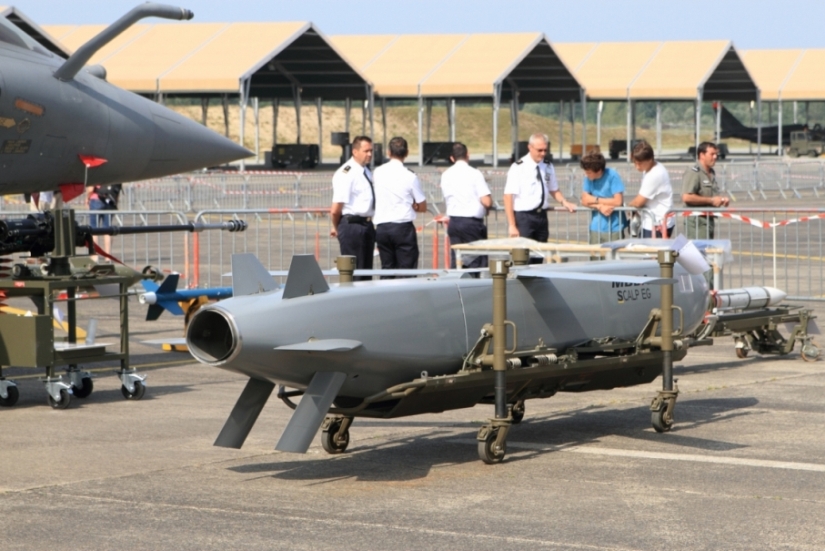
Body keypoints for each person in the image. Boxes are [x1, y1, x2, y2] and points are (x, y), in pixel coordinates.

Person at [504, 133, 575, 247]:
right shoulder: (518, 167)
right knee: (523, 253)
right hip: (524, 217)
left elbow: (554, 189)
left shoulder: (548, 166)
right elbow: (508, 196)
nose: (543, 153)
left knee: (541, 252)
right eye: (539, 150)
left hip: (541, 216)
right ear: (530, 147)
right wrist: (512, 225)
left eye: (545, 150)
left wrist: (564, 202)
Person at [372, 137, 427, 275]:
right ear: (407, 153)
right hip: (402, 227)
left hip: (383, 227)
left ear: (388, 152)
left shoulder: (378, 172)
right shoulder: (410, 176)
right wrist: (415, 206)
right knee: (407, 271)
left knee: (387, 269)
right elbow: (422, 205)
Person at [330, 136, 375, 280]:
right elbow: (336, 209)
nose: (370, 154)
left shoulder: (365, 171)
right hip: (352, 226)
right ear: (355, 152)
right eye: (366, 151)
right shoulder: (346, 173)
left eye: (371, 151)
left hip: (366, 225)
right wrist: (336, 227)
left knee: (366, 274)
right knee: (355, 274)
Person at [440, 142, 492, 269]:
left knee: (457, 261)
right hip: (471, 223)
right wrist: (488, 208)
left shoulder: (446, 175)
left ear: (452, 158)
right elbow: (486, 201)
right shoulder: (475, 173)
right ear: (468, 155)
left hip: (454, 222)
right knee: (476, 262)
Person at [681, 141, 729, 239]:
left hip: (708, 219)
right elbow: (686, 197)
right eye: (712, 154)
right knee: (699, 248)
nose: (715, 157)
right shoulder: (694, 172)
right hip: (697, 222)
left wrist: (721, 200)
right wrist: (711, 200)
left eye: (716, 154)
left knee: (707, 247)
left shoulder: (711, 172)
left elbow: (710, 194)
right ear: (702, 155)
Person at [628, 141, 674, 238]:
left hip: (657, 224)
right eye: (635, 162)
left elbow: (638, 202)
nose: (637, 167)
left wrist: (629, 206)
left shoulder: (654, 175)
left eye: (640, 163)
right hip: (654, 221)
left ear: (649, 160)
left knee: (651, 248)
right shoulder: (651, 168)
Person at [579, 151, 626, 244]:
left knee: (614, 253)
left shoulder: (612, 175)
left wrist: (595, 199)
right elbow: (584, 200)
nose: (586, 174)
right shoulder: (588, 179)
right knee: (594, 253)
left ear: (599, 170)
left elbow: (618, 201)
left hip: (614, 227)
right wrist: (599, 206)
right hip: (595, 227)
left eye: (589, 172)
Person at [86, 182, 122, 254]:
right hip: (110, 202)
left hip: (96, 199)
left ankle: (94, 255)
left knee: (94, 229)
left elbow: (90, 189)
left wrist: (87, 198)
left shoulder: (98, 175)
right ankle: (107, 256)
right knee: (108, 230)